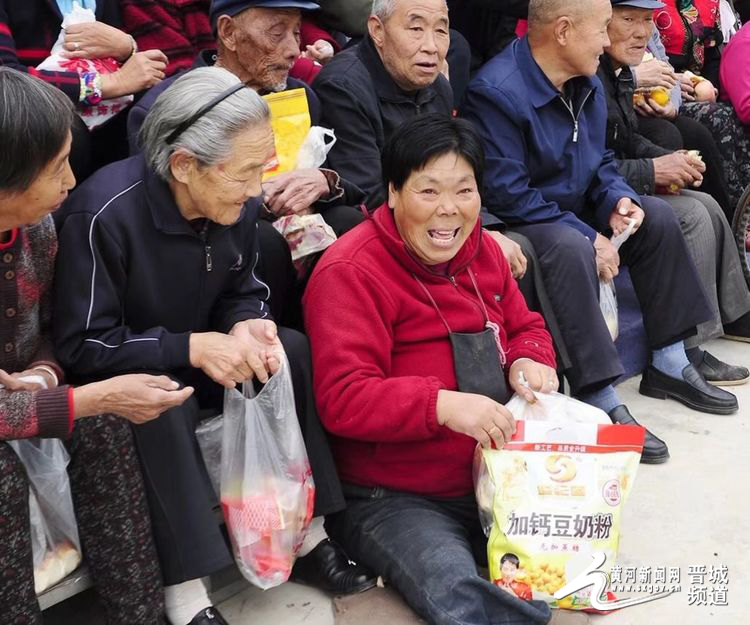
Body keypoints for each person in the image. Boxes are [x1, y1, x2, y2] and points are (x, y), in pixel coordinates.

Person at [53, 67, 375, 625]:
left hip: (207, 352)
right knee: (159, 396)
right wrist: (188, 347)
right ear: (183, 164)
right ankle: (186, 591)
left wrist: (250, 322)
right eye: (244, 173)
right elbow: (84, 346)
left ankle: (307, 535)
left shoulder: (237, 205)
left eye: (261, 170)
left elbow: (243, 286)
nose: (257, 191)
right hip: (138, 366)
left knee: (289, 351)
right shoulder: (102, 213)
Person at [304, 114, 573, 625]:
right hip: (393, 495)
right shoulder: (349, 272)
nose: (448, 211)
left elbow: (527, 326)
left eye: (464, 191)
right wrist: (442, 406)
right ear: (393, 193)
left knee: (573, 559)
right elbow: (342, 397)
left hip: (495, 475)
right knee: (453, 588)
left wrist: (530, 360)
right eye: (428, 191)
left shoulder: (484, 251)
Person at [462, 0, 740, 466]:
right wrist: (587, 233)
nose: (608, 41)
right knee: (570, 246)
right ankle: (597, 393)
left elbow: (600, 162)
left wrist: (616, 200)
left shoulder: (586, 81)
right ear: (565, 31)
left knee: (655, 217)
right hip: (523, 222)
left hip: (570, 208)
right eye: (601, 30)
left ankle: (671, 360)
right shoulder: (497, 92)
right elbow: (507, 192)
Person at [0, 67, 194, 625]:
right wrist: (91, 398)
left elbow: (48, 332)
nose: (69, 183)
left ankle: (140, 613)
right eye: (56, 166)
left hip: (25, 395)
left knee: (105, 429)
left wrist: (41, 375)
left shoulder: (37, 229)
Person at [598, 0, 750, 379]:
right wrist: (653, 169)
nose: (641, 31)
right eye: (629, 20)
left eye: (647, 21)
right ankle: (684, 350)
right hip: (594, 196)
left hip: (615, 178)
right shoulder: (588, 77)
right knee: (691, 213)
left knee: (707, 206)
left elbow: (627, 140)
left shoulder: (614, 73)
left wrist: (671, 160)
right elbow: (586, 166)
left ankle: (735, 313)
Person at [0, 0, 169, 178]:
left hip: (109, 135)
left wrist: (127, 47)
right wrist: (110, 83)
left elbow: (148, 67)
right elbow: (6, 77)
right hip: (31, 134)